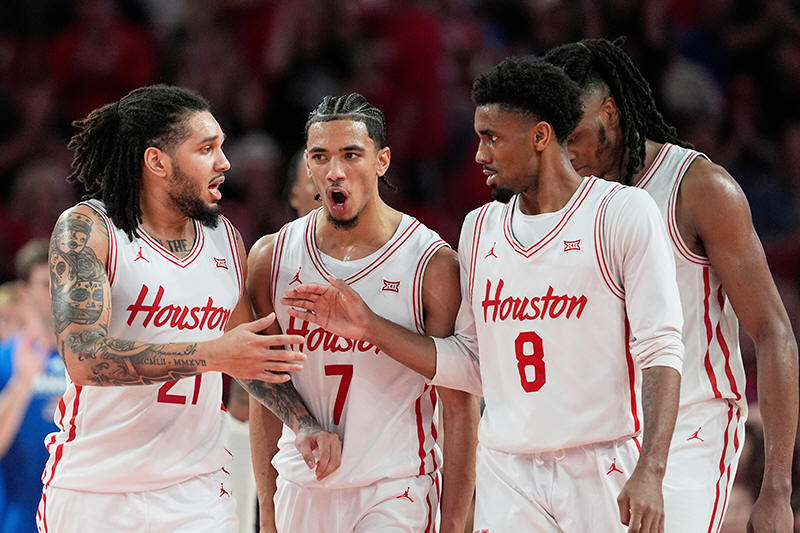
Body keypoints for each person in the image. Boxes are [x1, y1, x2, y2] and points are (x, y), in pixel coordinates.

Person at [283, 58, 685, 533]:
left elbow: (661, 348)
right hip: (507, 472)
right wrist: (370, 326)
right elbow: (471, 363)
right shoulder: (479, 228)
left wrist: (652, 470)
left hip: (600, 462)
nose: (479, 154)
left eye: (492, 138)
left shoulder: (622, 212)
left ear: (540, 137)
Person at [38, 84, 338, 533]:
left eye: (222, 147)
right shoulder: (90, 229)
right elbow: (84, 357)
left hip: (198, 494)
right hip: (96, 491)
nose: (225, 163)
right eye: (206, 149)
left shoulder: (225, 239)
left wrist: (304, 423)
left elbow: (247, 358)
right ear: (157, 161)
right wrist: (214, 355)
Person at [544, 37, 799, 533]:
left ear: (611, 112)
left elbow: (773, 332)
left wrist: (776, 490)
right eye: (556, 141)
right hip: (598, 432)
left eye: (575, 136)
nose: (566, 154)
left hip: (692, 427)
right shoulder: (561, 198)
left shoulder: (698, 188)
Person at [246, 93, 480, 533]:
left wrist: (453, 525)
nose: (335, 171)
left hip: (394, 489)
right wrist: (268, 515)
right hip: (302, 485)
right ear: (308, 166)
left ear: (381, 161)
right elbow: (265, 392)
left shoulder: (429, 262)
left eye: (351, 155)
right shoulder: (270, 258)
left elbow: (459, 403)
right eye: (321, 156)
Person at [0, 239, 65, 533]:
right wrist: (21, 383)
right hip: (20, 517)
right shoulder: (5, 358)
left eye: (63, 280)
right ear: (23, 291)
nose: (58, 291)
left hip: (78, 516)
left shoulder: (90, 361)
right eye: (46, 284)